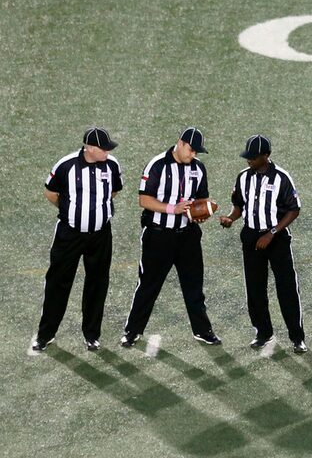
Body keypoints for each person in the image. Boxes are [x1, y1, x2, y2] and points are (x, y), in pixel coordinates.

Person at [121, 127, 221, 347]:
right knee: (148, 285)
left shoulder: (198, 169)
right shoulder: (157, 165)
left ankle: (202, 331)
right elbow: (144, 200)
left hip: (188, 236)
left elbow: (201, 199)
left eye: (196, 152)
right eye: (191, 150)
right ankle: (132, 331)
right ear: (180, 143)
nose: (193, 155)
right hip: (158, 236)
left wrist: (201, 213)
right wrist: (172, 209)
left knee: (194, 286)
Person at [33, 127, 124, 352]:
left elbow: (114, 191)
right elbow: (50, 193)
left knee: (97, 283)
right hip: (69, 235)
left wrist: (95, 211)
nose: (108, 152)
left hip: (101, 235)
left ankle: (91, 335)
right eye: (104, 148)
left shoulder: (112, 165)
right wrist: (71, 211)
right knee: (58, 283)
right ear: (89, 148)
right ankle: (46, 334)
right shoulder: (65, 165)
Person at [219, 134, 307, 353]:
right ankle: (263, 332)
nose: (248, 160)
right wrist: (231, 218)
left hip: (276, 238)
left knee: (286, 288)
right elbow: (239, 205)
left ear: (266, 156)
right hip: (250, 236)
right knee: (255, 288)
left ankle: (297, 337)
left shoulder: (281, 178)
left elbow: (293, 209)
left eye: (253, 157)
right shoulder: (242, 177)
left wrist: (272, 232)